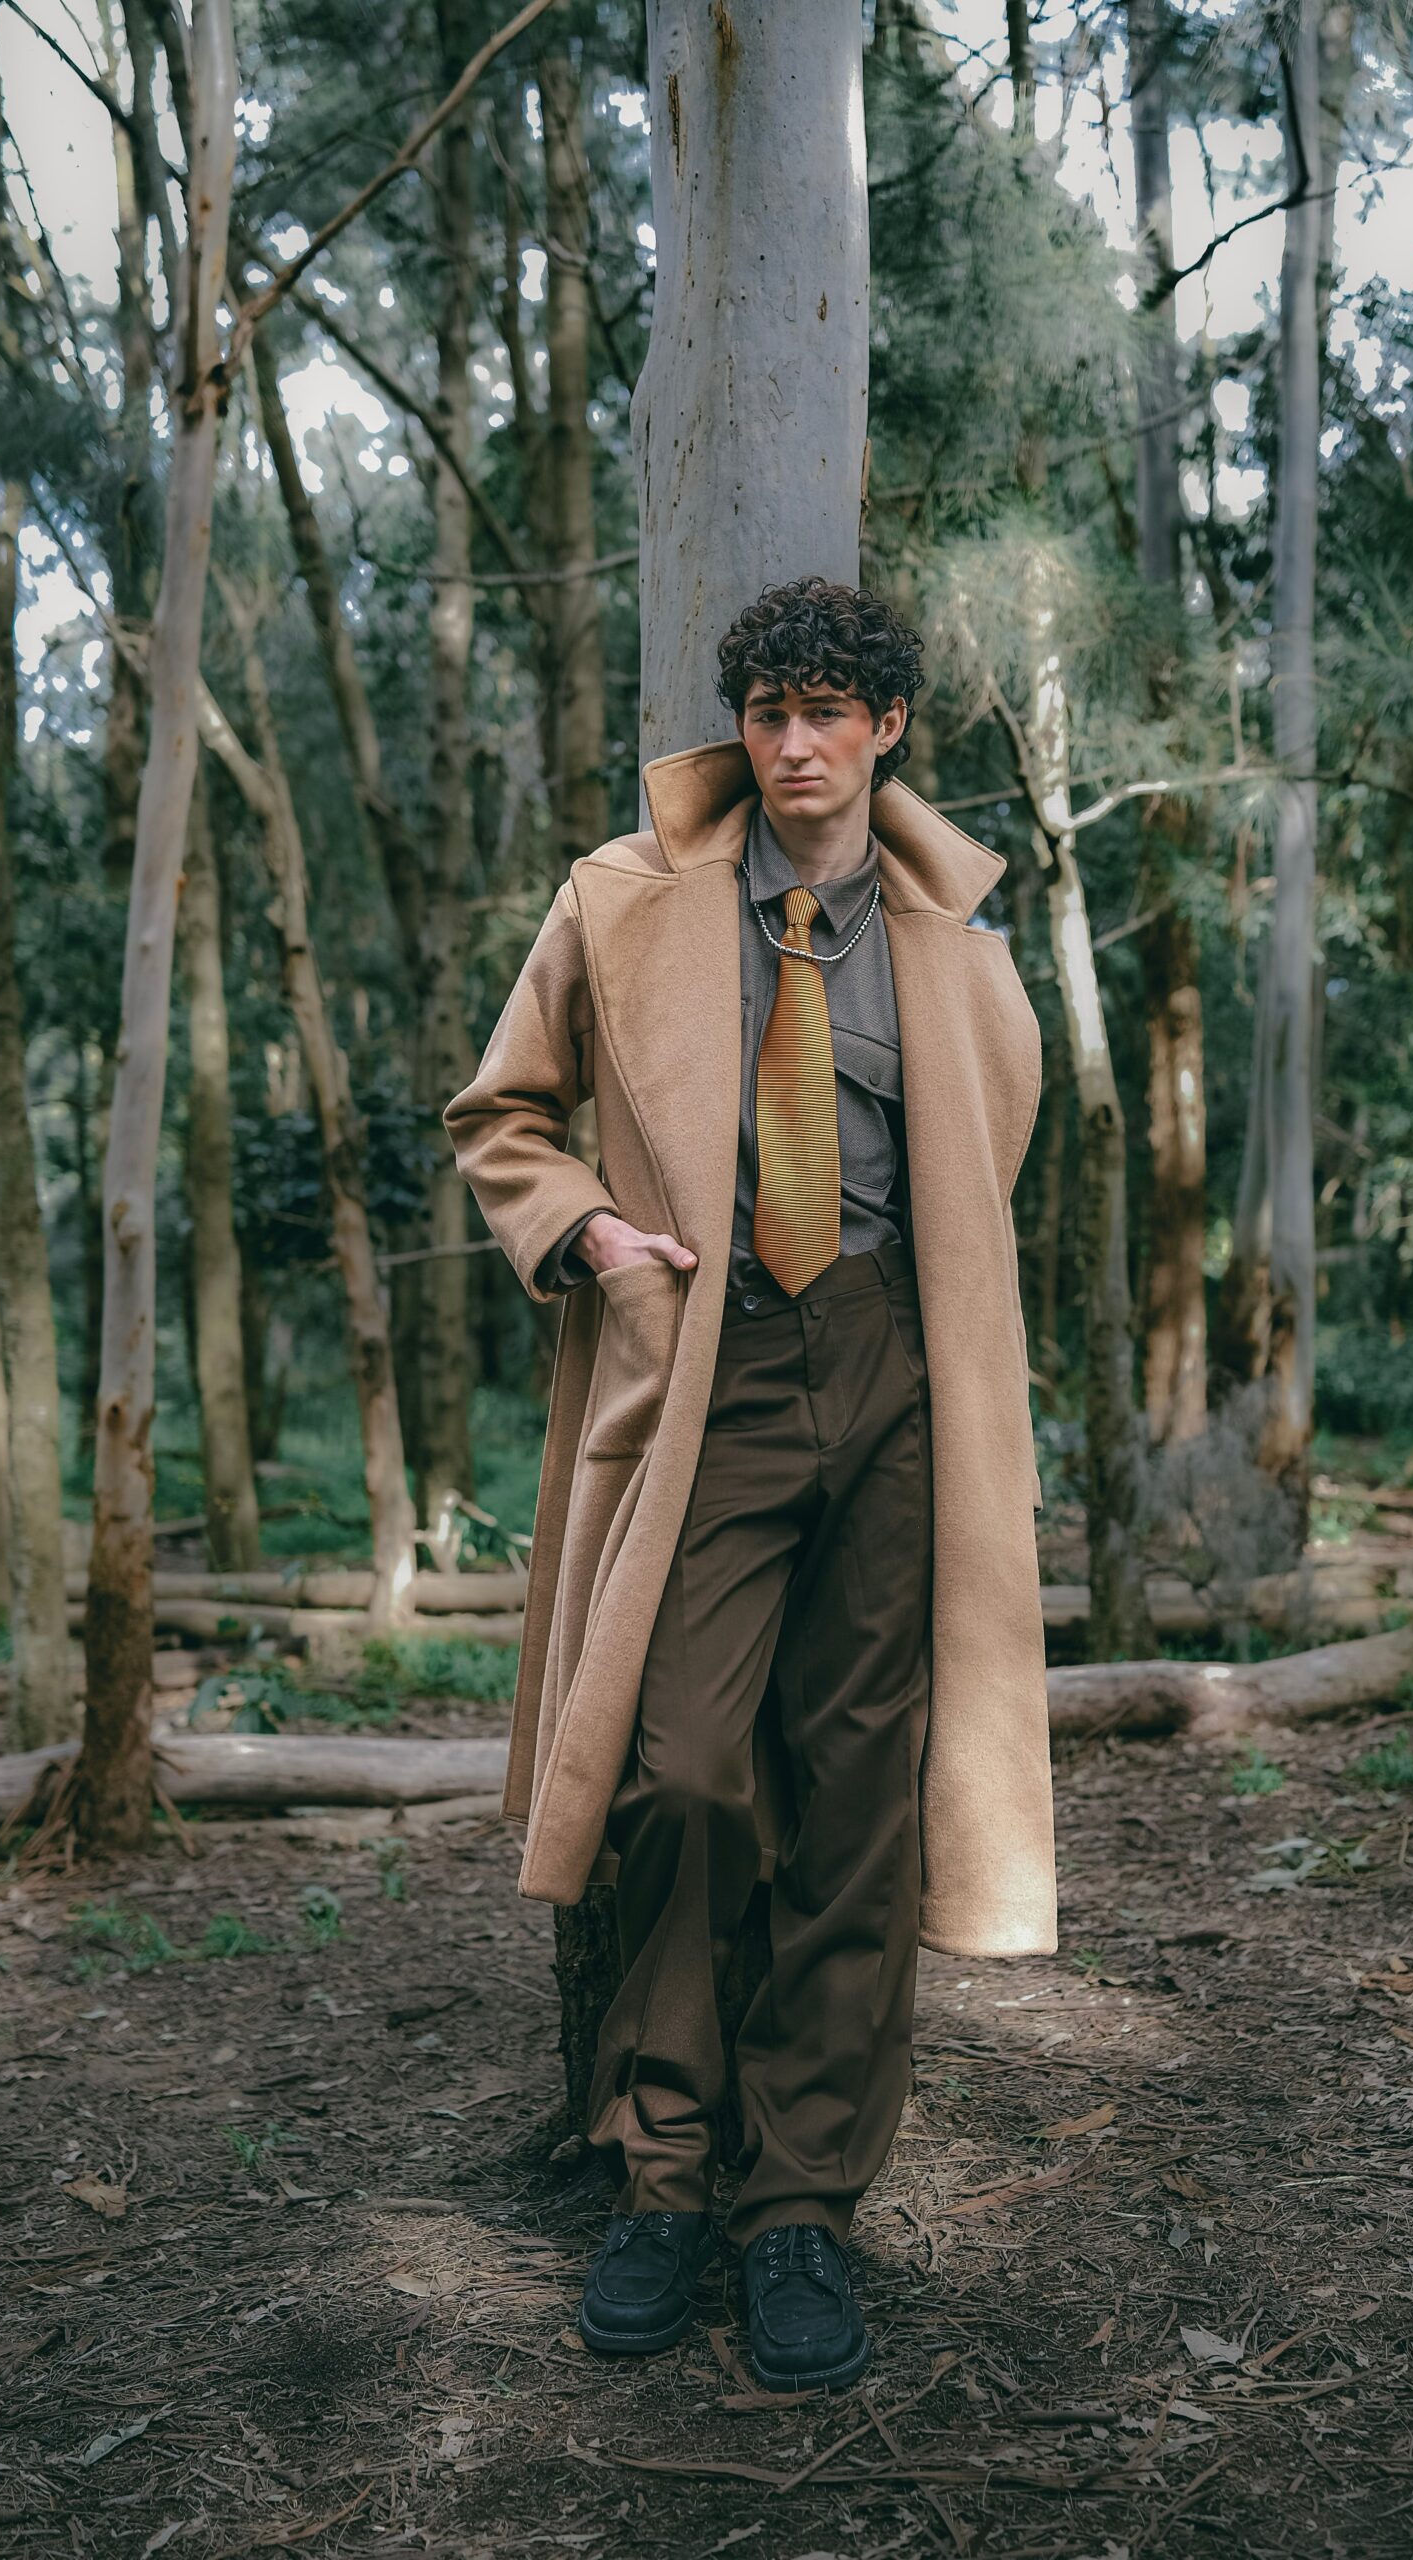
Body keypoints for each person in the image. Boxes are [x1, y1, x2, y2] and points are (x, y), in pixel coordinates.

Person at [446, 576, 1055, 2393]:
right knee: (689, 1771)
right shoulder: (623, 898)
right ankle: (661, 2176)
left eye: (829, 714)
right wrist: (596, 1239)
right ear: (746, 726)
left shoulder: (953, 939)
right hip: (707, 1366)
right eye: (771, 712)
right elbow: (503, 1115)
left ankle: (800, 2209)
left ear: (885, 731)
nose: (796, 745)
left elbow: (993, 1147)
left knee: (859, 1797)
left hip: (892, 1369)